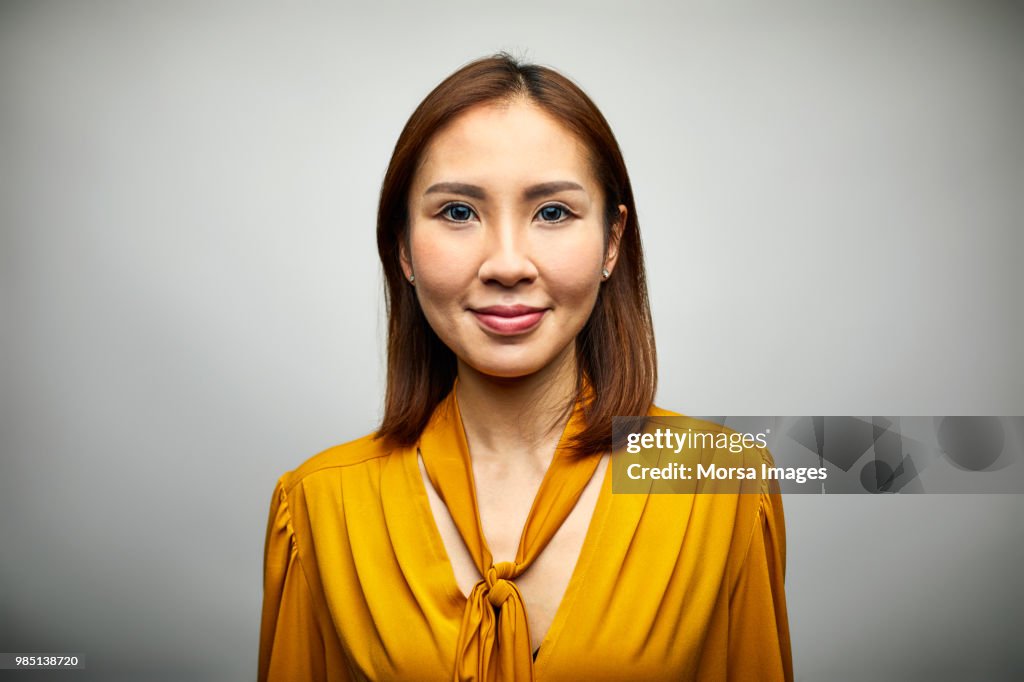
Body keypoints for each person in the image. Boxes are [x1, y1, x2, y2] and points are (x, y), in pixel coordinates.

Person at [258, 53, 793, 681]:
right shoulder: (318, 503)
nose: (507, 263)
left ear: (612, 242)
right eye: (458, 212)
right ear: (402, 245)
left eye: (553, 212)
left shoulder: (722, 480)